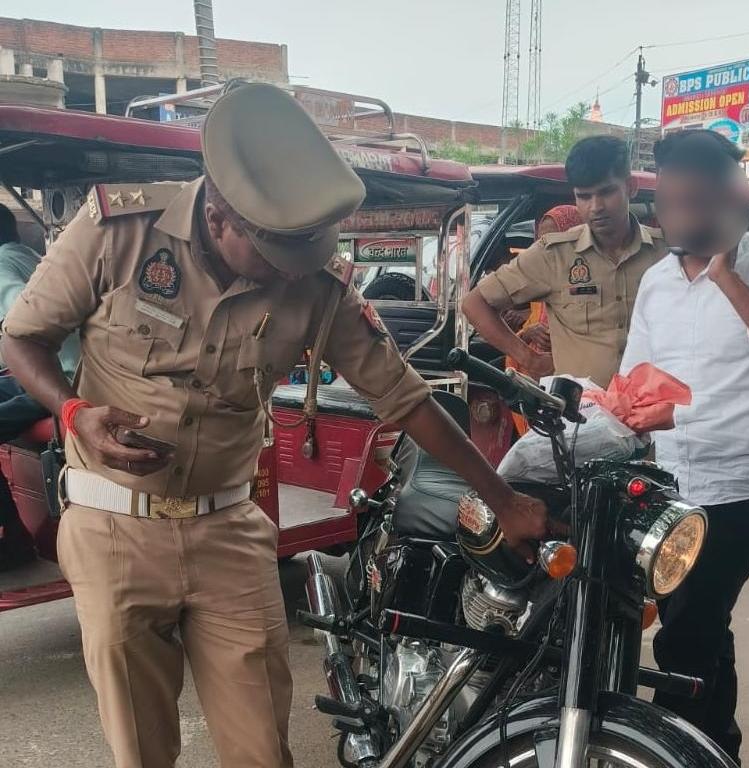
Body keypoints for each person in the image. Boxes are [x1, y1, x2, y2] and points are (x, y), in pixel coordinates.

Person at [1, 83, 547, 768]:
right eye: (275, 256)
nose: (290, 274)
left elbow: (404, 399)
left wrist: (503, 499)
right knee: (140, 752)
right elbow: (22, 339)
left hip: (229, 532)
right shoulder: (118, 231)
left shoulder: (312, 278)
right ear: (220, 214)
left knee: (263, 749)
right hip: (114, 528)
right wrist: (74, 412)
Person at [621, 129, 749, 762]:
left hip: (739, 486)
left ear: (727, 201)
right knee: (704, 626)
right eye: (672, 202)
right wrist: (620, 410)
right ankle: (720, 748)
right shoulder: (656, 281)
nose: (681, 215)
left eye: (697, 201)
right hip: (669, 483)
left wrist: (726, 275)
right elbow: (636, 377)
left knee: (684, 639)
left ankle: (671, 750)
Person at [462, 135, 667, 388]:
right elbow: (474, 304)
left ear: (630, 187)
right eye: (584, 196)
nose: (596, 207)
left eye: (606, 192)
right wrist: (529, 358)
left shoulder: (666, 252)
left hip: (657, 407)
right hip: (581, 410)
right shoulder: (555, 255)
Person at [0, 204, 80, 569]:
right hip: (49, 371)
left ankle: (12, 541)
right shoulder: (28, 256)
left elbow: (23, 321)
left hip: (56, 378)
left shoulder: (3, 265)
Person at [507, 205, 583, 435]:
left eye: (553, 237)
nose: (545, 245)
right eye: (541, 239)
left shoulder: (588, 283)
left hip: (574, 389)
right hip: (536, 385)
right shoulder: (538, 283)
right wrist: (528, 333)